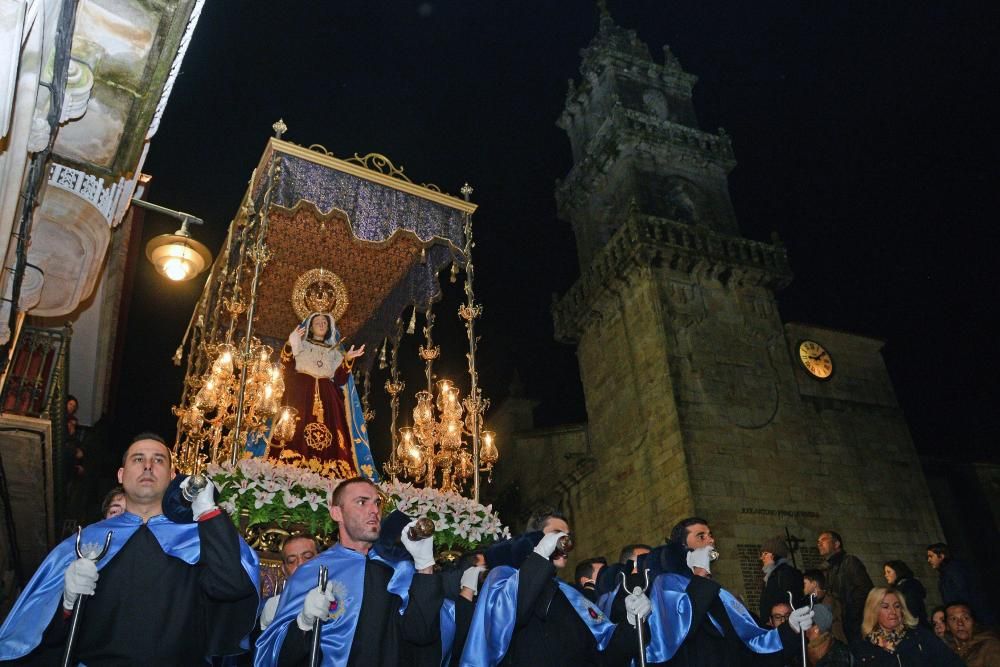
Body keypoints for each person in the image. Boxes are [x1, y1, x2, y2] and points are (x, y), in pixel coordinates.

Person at [0, 432, 260, 664]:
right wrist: (66, 603)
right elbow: (42, 634)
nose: (148, 465)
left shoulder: (200, 536)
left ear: (172, 477)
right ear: (121, 475)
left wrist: (207, 511)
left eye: (159, 460)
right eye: (138, 459)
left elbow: (231, 586)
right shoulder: (87, 540)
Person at [255, 476, 444, 666]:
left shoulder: (396, 570)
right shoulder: (310, 572)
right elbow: (274, 656)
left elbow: (422, 635)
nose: (374, 510)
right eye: (361, 502)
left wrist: (424, 565)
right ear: (337, 513)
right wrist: (303, 623)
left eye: (377, 503)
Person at [460, 508, 650, 666]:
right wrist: (540, 555)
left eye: (568, 536)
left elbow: (603, 656)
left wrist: (632, 622)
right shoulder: (504, 576)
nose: (565, 542)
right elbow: (506, 619)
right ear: (535, 538)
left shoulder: (570, 595)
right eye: (556, 534)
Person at [642, 517, 812, 665]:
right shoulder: (667, 582)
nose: (710, 541)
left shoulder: (719, 592)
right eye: (701, 536)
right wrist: (700, 573)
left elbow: (749, 642)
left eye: (711, 535)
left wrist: (790, 629)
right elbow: (674, 632)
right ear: (683, 546)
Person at [280, 312, 379, 479]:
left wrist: (347, 359)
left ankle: (330, 472)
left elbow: (340, 379)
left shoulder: (334, 352)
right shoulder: (300, 345)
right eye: (317, 321)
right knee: (296, 429)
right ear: (310, 327)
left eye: (325, 322)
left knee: (332, 434)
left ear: (329, 328)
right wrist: (290, 344)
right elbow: (286, 365)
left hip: (328, 399)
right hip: (301, 394)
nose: (321, 324)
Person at [848, 587, 963, 665]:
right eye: (885, 607)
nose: (893, 611)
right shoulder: (862, 645)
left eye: (897, 606)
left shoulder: (921, 636)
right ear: (873, 610)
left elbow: (953, 662)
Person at [816, 530, 873, 641]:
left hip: (854, 623)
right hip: (839, 626)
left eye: (823, 540)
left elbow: (864, 590)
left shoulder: (849, 562)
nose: (819, 544)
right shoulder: (827, 569)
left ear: (837, 544)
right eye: (818, 542)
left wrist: (848, 614)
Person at [259, 534, 321, 630]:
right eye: (292, 561)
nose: (300, 564)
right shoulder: (273, 607)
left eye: (308, 557)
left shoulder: (339, 597)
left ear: (322, 560)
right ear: (284, 571)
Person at [928, 542, 996, 626]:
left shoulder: (955, 571)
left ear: (941, 556)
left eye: (931, 556)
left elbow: (965, 596)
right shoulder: (947, 573)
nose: (929, 560)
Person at [759, 535, 804, 624]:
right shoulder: (770, 575)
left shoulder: (786, 574)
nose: (761, 558)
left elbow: (789, 600)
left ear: (774, 555)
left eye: (765, 554)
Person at [945, 601, 1000, 666]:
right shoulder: (947, 652)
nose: (960, 623)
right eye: (953, 619)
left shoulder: (990, 646)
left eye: (966, 618)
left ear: (973, 622)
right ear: (947, 626)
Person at [803, 569, 847, 643]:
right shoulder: (825, 599)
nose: (802, 587)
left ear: (814, 584)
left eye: (804, 583)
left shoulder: (826, 604)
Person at [882, 559, 928, 627]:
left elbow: (912, 610)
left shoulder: (909, 587)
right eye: (885, 573)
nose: (886, 575)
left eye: (888, 572)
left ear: (897, 572)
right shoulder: (903, 587)